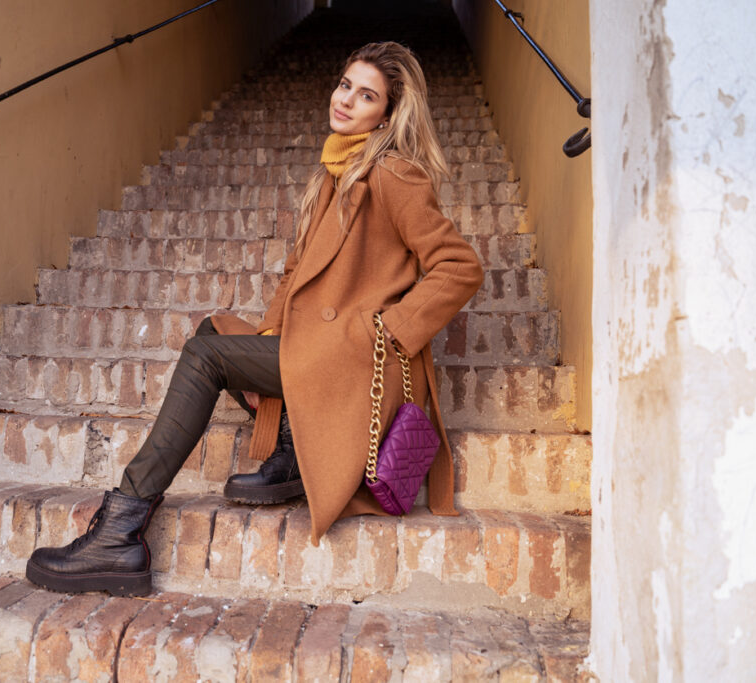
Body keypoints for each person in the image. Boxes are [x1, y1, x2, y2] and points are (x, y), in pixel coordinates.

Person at [25, 41, 485, 596]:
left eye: (366, 96)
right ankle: (292, 452)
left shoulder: (392, 174)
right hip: (319, 348)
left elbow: (459, 267)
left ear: (385, 114)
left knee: (205, 357)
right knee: (213, 331)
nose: (346, 101)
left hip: (354, 357)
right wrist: (272, 330)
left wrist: (388, 330)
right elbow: (297, 274)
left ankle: (121, 528)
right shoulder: (336, 171)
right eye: (345, 85)